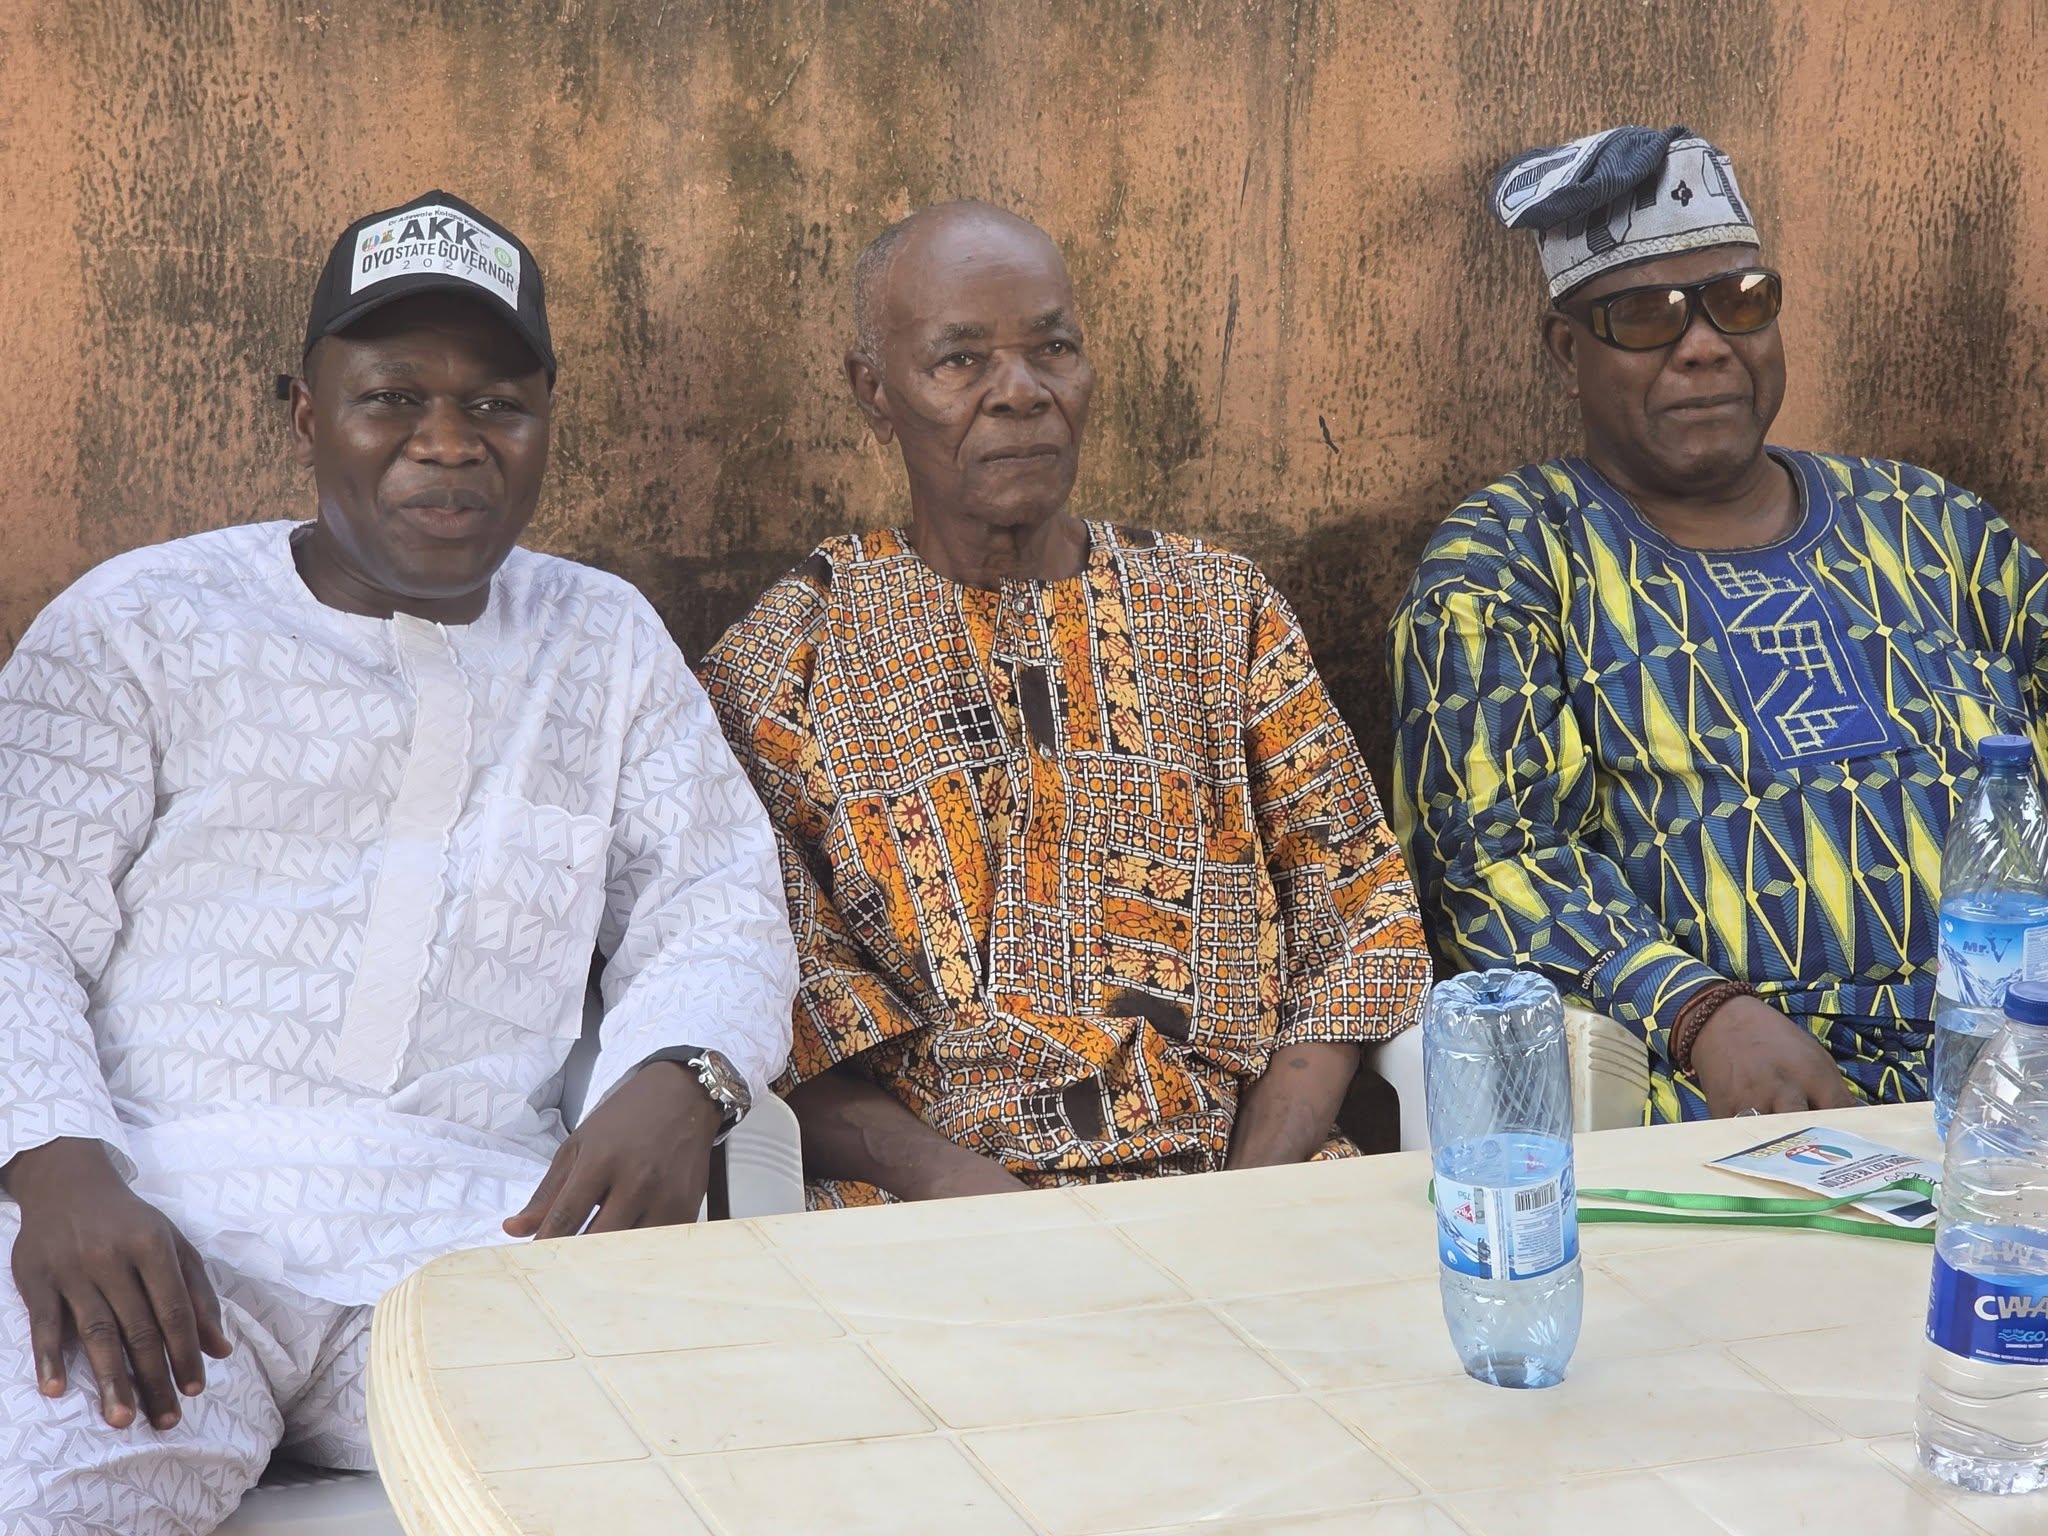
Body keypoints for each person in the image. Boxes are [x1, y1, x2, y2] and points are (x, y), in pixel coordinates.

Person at [0, 191, 796, 1533]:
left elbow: (712, 899)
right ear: (306, 413)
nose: (448, 445)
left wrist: (686, 1074)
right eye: (391, 400)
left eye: (497, 404)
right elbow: (15, 916)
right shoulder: (137, 627)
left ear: (547, 425)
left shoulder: (600, 641)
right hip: (159, 1236)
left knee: (699, 1499)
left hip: (484, 1248)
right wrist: (54, 1166)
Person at [700, 200, 1429, 1206]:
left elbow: (1358, 917)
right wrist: (975, 1200)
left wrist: (1245, 1201)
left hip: (1234, 1186)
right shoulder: (789, 662)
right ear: (875, 394)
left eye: (1053, 350)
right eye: (960, 363)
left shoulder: (1220, 612)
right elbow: (763, 1001)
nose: (1021, 394)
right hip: (930, 1214)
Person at [1391, 125, 2048, 1122]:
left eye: (1739, 303)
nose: (1702, 345)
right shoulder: (1512, 558)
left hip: (2015, 1048)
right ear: (1565, 352)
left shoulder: (1930, 524)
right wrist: (1700, 1012)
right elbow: (1488, 861)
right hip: (1739, 1085)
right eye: (1644, 317)